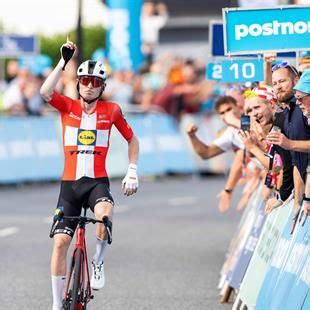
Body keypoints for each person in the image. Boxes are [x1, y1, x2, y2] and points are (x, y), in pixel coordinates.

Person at [40, 40, 140, 310]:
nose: (89, 85)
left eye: (96, 82)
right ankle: (55, 304)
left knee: (105, 213)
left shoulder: (112, 111)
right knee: (60, 242)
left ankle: (97, 261)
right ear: (78, 83)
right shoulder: (67, 107)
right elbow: (45, 91)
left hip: (97, 182)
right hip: (69, 185)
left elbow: (133, 141)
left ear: (102, 87)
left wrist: (132, 170)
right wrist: (63, 62)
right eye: (85, 80)